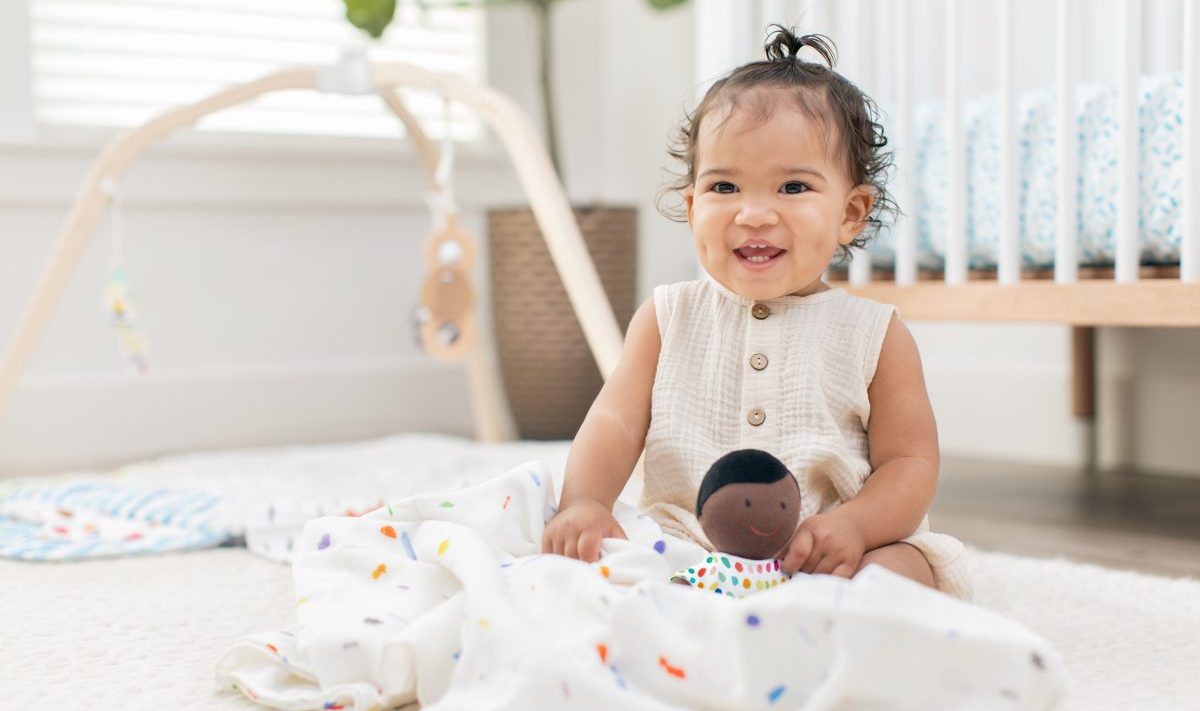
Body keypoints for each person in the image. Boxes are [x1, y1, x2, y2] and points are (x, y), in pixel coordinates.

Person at [541, 26, 970, 599]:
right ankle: (696, 615)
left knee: (909, 568)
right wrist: (586, 502)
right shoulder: (668, 316)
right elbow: (613, 425)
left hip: (827, 551)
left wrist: (853, 525)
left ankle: (831, 622)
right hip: (683, 541)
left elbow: (910, 463)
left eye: (793, 186)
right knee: (592, 560)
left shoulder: (875, 335)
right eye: (725, 186)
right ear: (693, 207)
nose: (754, 214)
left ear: (851, 212)